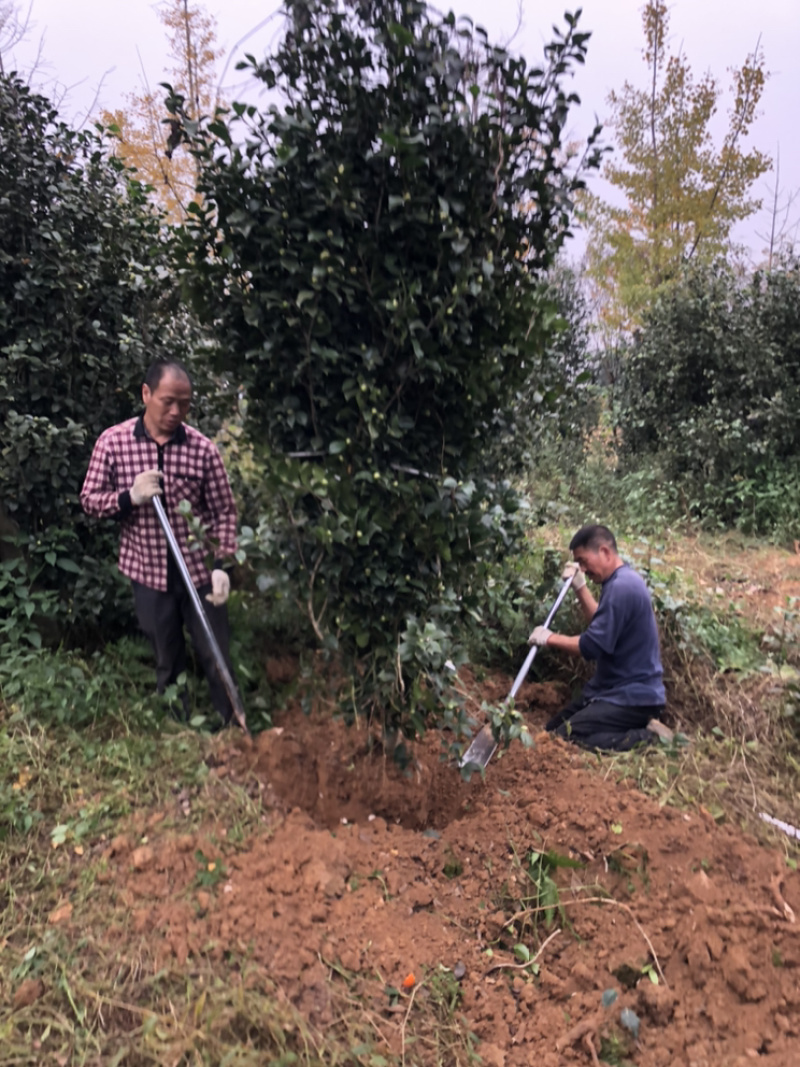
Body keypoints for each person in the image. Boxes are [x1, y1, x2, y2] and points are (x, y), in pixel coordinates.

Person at [81, 360, 239, 726]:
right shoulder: (113, 442)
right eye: (168, 401)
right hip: (148, 574)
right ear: (146, 394)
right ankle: (177, 728)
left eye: (184, 404)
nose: (176, 412)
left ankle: (231, 725)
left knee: (216, 654)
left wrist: (221, 566)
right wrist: (128, 498)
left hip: (199, 573)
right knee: (167, 657)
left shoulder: (202, 449)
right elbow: (90, 499)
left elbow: (223, 512)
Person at [528, 524, 671, 751]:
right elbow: (602, 623)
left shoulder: (622, 587)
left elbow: (593, 645)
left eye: (584, 561)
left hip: (634, 697)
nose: (582, 569)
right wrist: (580, 587)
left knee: (565, 739)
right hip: (611, 691)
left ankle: (649, 738)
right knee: (551, 731)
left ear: (604, 552)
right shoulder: (619, 581)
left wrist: (549, 638)